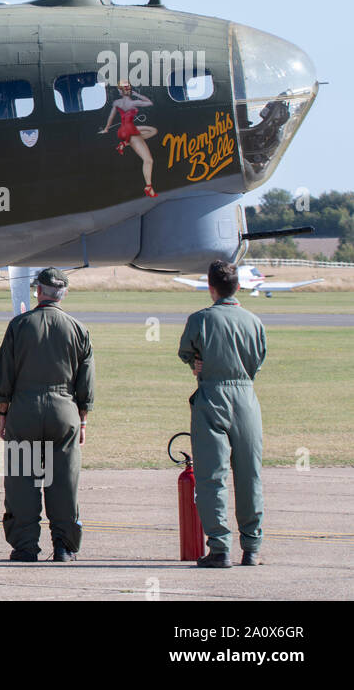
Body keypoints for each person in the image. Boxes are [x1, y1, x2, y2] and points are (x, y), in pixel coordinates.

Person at [0, 268, 94, 562]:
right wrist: (83, 419)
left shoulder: (19, 325)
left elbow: (4, 374)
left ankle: (25, 547)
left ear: (38, 291)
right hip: (65, 410)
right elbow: (86, 382)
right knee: (63, 482)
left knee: (22, 482)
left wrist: (3, 412)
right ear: (63, 294)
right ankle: (63, 547)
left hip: (24, 409)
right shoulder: (78, 329)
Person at [177, 260, 267, 568]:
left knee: (211, 475)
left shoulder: (201, 319)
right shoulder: (254, 321)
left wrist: (198, 365)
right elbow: (257, 361)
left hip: (212, 395)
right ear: (238, 286)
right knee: (249, 474)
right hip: (245, 397)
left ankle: (219, 548)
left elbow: (186, 352)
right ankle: (252, 547)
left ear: (210, 287)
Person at [98, 80, 159, 197]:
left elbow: (111, 116)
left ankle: (125, 144)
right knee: (148, 160)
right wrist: (137, 94)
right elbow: (149, 102)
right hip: (131, 131)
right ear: (129, 90)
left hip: (123, 130)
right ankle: (148, 186)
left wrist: (106, 129)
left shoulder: (117, 102)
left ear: (120, 91)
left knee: (153, 130)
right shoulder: (134, 102)